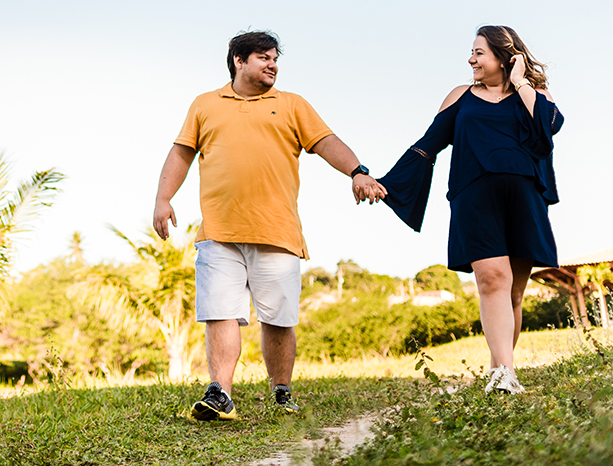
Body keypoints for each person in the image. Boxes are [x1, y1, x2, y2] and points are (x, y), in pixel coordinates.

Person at [152, 30, 386, 420]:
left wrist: (357, 172)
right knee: (220, 311)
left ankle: (281, 390)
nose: (272, 64)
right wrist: (163, 199)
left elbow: (327, 141)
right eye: (263, 57)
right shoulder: (205, 104)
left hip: (276, 231)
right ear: (239, 61)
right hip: (219, 231)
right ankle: (220, 392)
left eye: (275, 58)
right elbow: (181, 153)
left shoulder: (292, 105)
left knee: (278, 318)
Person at [377, 25, 563, 394]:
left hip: (524, 198)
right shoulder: (461, 96)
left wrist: (522, 81)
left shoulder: (534, 95)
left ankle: (500, 370)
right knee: (492, 279)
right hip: (474, 196)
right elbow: (429, 143)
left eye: (479, 53)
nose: (471, 59)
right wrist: (386, 181)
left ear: (504, 57)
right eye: (472, 53)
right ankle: (505, 374)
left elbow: (549, 127)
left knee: (513, 295)